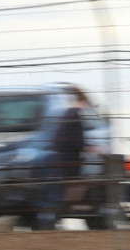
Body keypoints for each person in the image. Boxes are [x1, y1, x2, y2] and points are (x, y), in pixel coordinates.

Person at [34, 88, 91, 230]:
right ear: (83, 101)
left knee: (51, 195)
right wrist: (92, 149)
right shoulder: (75, 114)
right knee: (54, 197)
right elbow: (78, 142)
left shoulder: (66, 114)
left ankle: (47, 226)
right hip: (62, 162)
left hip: (55, 159)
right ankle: (47, 228)